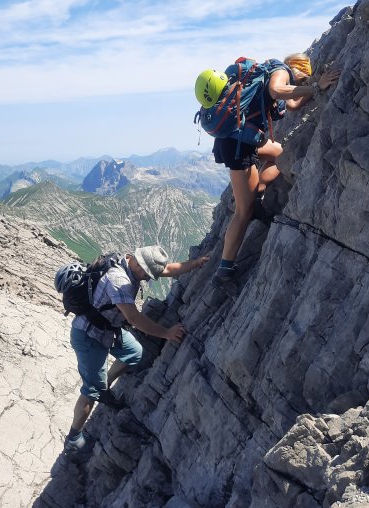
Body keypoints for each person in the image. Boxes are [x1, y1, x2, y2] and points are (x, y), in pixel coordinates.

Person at [57, 245, 209, 451]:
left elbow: (167, 269)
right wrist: (166, 333)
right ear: (137, 263)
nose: (147, 278)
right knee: (91, 391)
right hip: (89, 336)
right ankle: (74, 438)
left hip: (108, 329)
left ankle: (104, 386)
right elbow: (134, 318)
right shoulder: (119, 281)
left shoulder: (134, 263)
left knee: (133, 353)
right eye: (146, 274)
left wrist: (197, 263)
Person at [207, 53, 340, 285]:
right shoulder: (280, 71)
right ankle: (224, 271)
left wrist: (313, 91)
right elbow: (278, 91)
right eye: (302, 79)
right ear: (297, 70)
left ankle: (257, 193)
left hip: (240, 139)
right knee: (243, 212)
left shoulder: (270, 75)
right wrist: (316, 87)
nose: (300, 83)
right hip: (238, 146)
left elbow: (292, 104)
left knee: (281, 155)